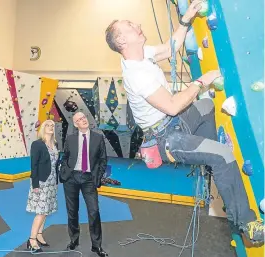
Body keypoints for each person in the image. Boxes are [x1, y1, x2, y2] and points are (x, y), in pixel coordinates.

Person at [104, 0, 264, 245]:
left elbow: (171, 48)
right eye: (129, 25)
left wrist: (185, 19)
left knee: (207, 106)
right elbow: (172, 105)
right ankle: (246, 224)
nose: (137, 24)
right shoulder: (137, 75)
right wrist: (201, 82)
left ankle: (213, 164)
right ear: (123, 41)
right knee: (221, 154)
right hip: (165, 138)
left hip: (174, 122)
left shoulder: (141, 55)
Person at [60, 112, 108, 257]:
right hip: (71, 178)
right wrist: (64, 171)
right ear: (75, 124)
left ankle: (96, 245)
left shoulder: (98, 138)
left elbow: (103, 159)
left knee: (94, 211)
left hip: (89, 179)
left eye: (84, 118)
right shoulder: (70, 138)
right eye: (79, 119)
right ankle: (74, 239)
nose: (83, 120)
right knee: (72, 212)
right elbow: (66, 156)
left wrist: (97, 177)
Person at [26, 119, 59, 252]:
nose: (51, 127)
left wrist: (56, 181)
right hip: (41, 182)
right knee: (41, 211)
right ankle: (32, 239)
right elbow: (33, 165)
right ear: (43, 128)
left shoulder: (54, 144)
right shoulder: (37, 144)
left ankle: (39, 234)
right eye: (48, 125)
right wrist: (35, 184)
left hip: (51, 182)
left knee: (46, 210)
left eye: (53, 125)